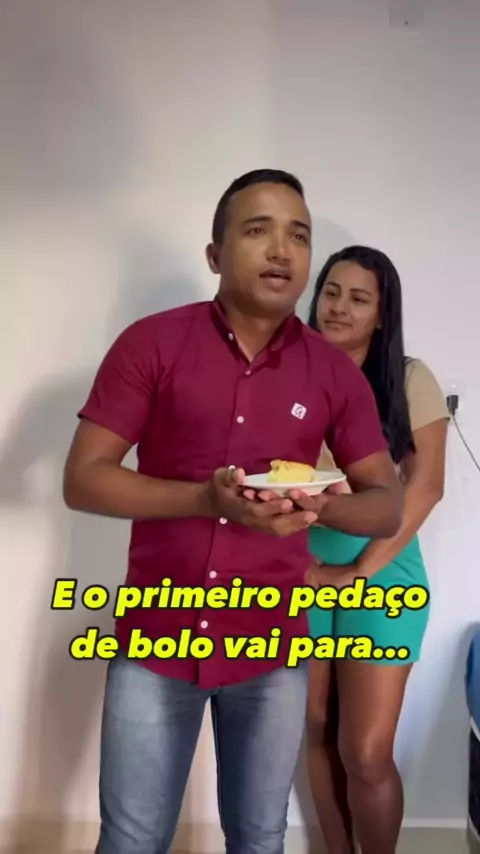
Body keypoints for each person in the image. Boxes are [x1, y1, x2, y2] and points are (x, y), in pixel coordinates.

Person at [62, 171, 403, 854]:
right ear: (216, 254)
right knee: (131, 839)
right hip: (156, 639)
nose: (282, 249)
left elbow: (386, 504)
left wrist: (319, 507)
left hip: (271, 648)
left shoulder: (334, 373)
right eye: (258, 230)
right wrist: (201, 499)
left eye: (299, 235)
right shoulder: (152, 343)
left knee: (259, 836)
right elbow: (84, 479)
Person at [305, 245, 449, 854]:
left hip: (384, 571)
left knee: (364, 750)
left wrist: (360, 570)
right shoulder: (287, 373)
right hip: (300, 569)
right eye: (331, 292)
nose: (339, 307)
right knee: (314, 728)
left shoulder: (410, 379)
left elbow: (427, 485)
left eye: (359, 298)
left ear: (382, 314)